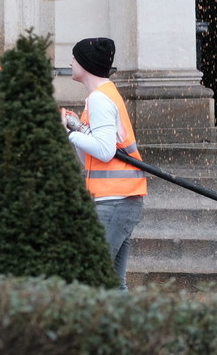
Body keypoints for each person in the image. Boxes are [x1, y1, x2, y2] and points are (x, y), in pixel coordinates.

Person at [60, 37, 147, 290]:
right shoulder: (103, 96)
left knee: (93, 277)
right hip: (122, 199)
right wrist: (80, 130)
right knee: (113, 283)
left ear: (85, 64)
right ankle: (128, 329)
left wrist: (70, 132)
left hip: (115, 201)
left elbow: (106, 151)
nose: (70, 62)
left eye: (74, 58)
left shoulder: (99, 100)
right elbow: (91, 158)